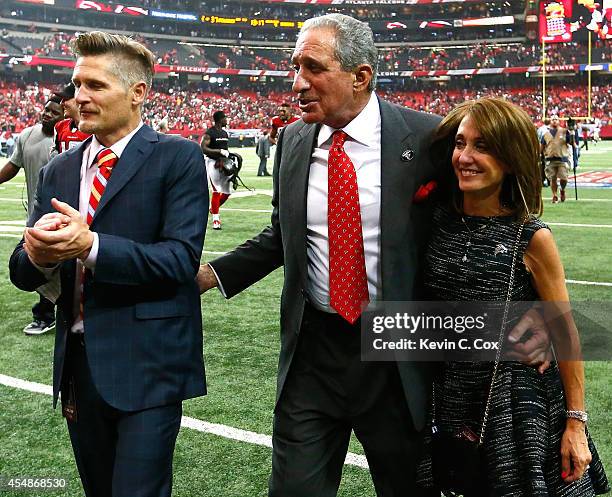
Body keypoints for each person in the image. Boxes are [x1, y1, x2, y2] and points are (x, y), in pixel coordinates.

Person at [197, 14, 551, 497]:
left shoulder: (430, 139)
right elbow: (282, 236)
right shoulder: (294, 141)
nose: (297, 82)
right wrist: (211, 274)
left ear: (361, 76)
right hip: (313, 350)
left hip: (398, 348)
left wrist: (532, 321)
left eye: (313, 68)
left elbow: (486, 226)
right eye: (295, 66)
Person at [9, 31, 207, 497]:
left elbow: (179, 260)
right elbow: (20, 271)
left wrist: (90, 246)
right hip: (80, 367)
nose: (80, 97)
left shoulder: (176, 157)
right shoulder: (60, 168)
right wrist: (35, 257)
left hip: (149, 363)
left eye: (96, 85)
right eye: (78, 84)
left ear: (138, 93)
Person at [419, 97, 609, 496]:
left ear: (511, 158)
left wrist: (576, 422)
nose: (465, 157)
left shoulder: (531, 236)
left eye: (484, 146)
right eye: (460, 143)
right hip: (446, 394)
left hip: (513, 400)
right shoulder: (433, 216)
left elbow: (565, 329)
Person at [0, 96, 63, 335]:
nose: (47, 114)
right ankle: (47, 314)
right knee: (38, 262)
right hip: (37, 212)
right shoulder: (27, 134)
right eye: (46, 109)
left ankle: (50, 313)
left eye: (54, 113)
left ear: (65, 116)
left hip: (60, 212)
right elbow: (13, 166)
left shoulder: (68, 140)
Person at [201, 110, 231, 230]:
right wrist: (218, 152)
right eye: (225, 118)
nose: (227, 120)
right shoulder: (210, 133)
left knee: (227, 192)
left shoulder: (224, 133)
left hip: (223, 163)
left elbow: (225, 149)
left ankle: (213, 209)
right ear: (220, 119)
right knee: (216, 190)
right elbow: (203, 148)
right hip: (212, 162)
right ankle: (216, 220)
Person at [52, 81, 91, 155]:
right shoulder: (60, 127)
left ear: (78, 99)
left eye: (65, 99)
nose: (61, 103)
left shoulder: (95, 129)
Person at [541, 115, 572, 203]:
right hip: (550, 159)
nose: (554, 121)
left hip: (562, 158)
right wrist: (538, 155)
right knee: (552, 179)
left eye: (556, 119)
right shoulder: (546, 134)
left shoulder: (564, 131)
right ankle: (554, 195)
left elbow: (570, 142)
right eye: (553, 119)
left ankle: (562, 189)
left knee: (564, 178)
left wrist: (572, 132)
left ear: (559, 121)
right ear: (550, 121)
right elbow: (542, 146)